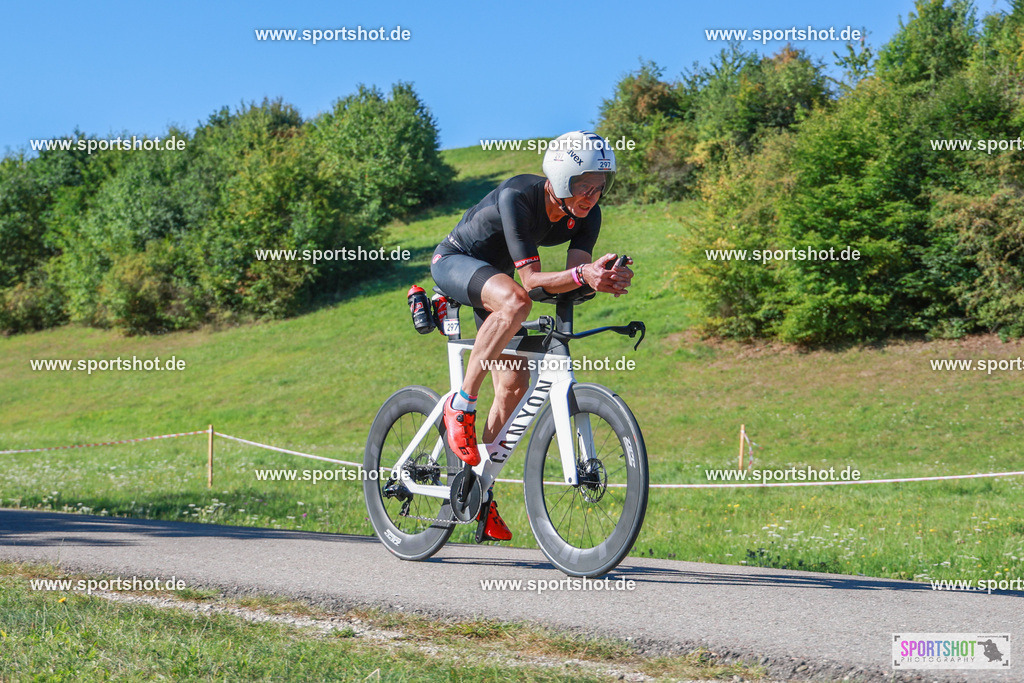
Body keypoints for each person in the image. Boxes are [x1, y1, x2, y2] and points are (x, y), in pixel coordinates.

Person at [430, 130, 633, 542]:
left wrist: (599, 280)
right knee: (516, 302)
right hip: (455, 263)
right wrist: (582, 275)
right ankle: (461, 405)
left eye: (600, 186)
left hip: (499, 284)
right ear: (560, 179)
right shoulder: (518, 197)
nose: (592, 195)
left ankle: (476, 491)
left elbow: (560, 287)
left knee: (514, 385)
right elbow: (531, 282)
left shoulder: (586, 216)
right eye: (583, 185)